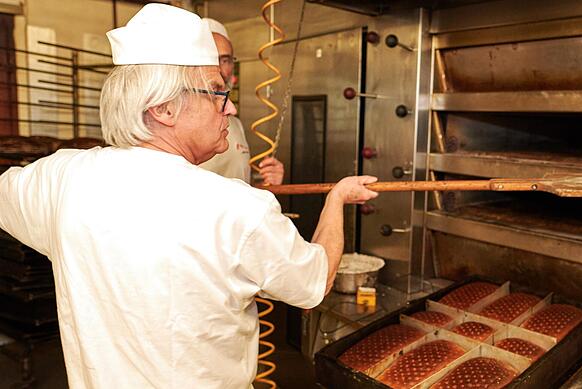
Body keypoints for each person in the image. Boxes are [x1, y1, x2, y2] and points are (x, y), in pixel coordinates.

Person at [0, 4, 377, 388]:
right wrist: (337, 200)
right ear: (163, 108)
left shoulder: (58, 179)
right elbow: (312, 283)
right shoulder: (238, 209)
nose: (229, 107)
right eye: (216, 92)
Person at [199, 17, 284, 185]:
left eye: (226, 60)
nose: (220, 70)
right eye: (213, 59)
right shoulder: (184, 125)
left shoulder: (235, 124)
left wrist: (269, 181)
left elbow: (240, 184)